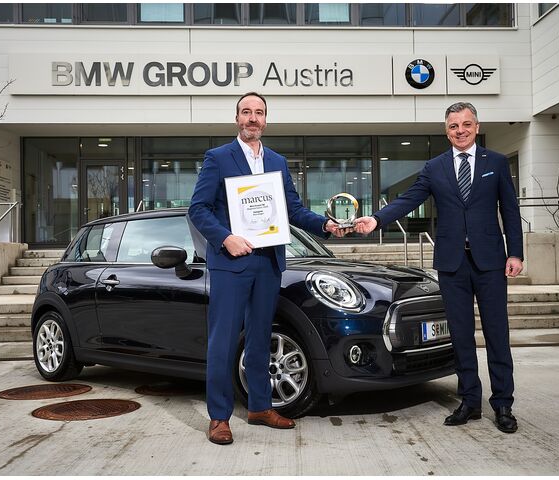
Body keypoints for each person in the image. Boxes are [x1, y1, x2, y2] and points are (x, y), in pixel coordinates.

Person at [353, 102, 523, 434]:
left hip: (490, 262)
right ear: (446, 131)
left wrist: (515, 253)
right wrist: (376, 219)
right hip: (451, 264)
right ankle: (470, 401)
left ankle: (503, 404)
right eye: (453, 126)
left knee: (497, 334)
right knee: (460, 335)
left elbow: (510, 209)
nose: (460, 131)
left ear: (476, 126)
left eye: (466, 124)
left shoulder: (496, 162)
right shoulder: (435, 167)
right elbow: (409, 199)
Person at [189, 92, 346, 445]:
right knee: (223, 341)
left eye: (258, 112)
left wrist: (325, 225)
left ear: (265, 119)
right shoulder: (218, 158)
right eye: (246, 112)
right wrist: (225, 238)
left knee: (261, 337)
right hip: (231, 262)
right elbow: (198, 209)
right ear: (237, 119)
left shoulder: (277, 161)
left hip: (268, 262)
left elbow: (293, 209)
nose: (252, 118)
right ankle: (219, 417)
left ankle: (260, 407)